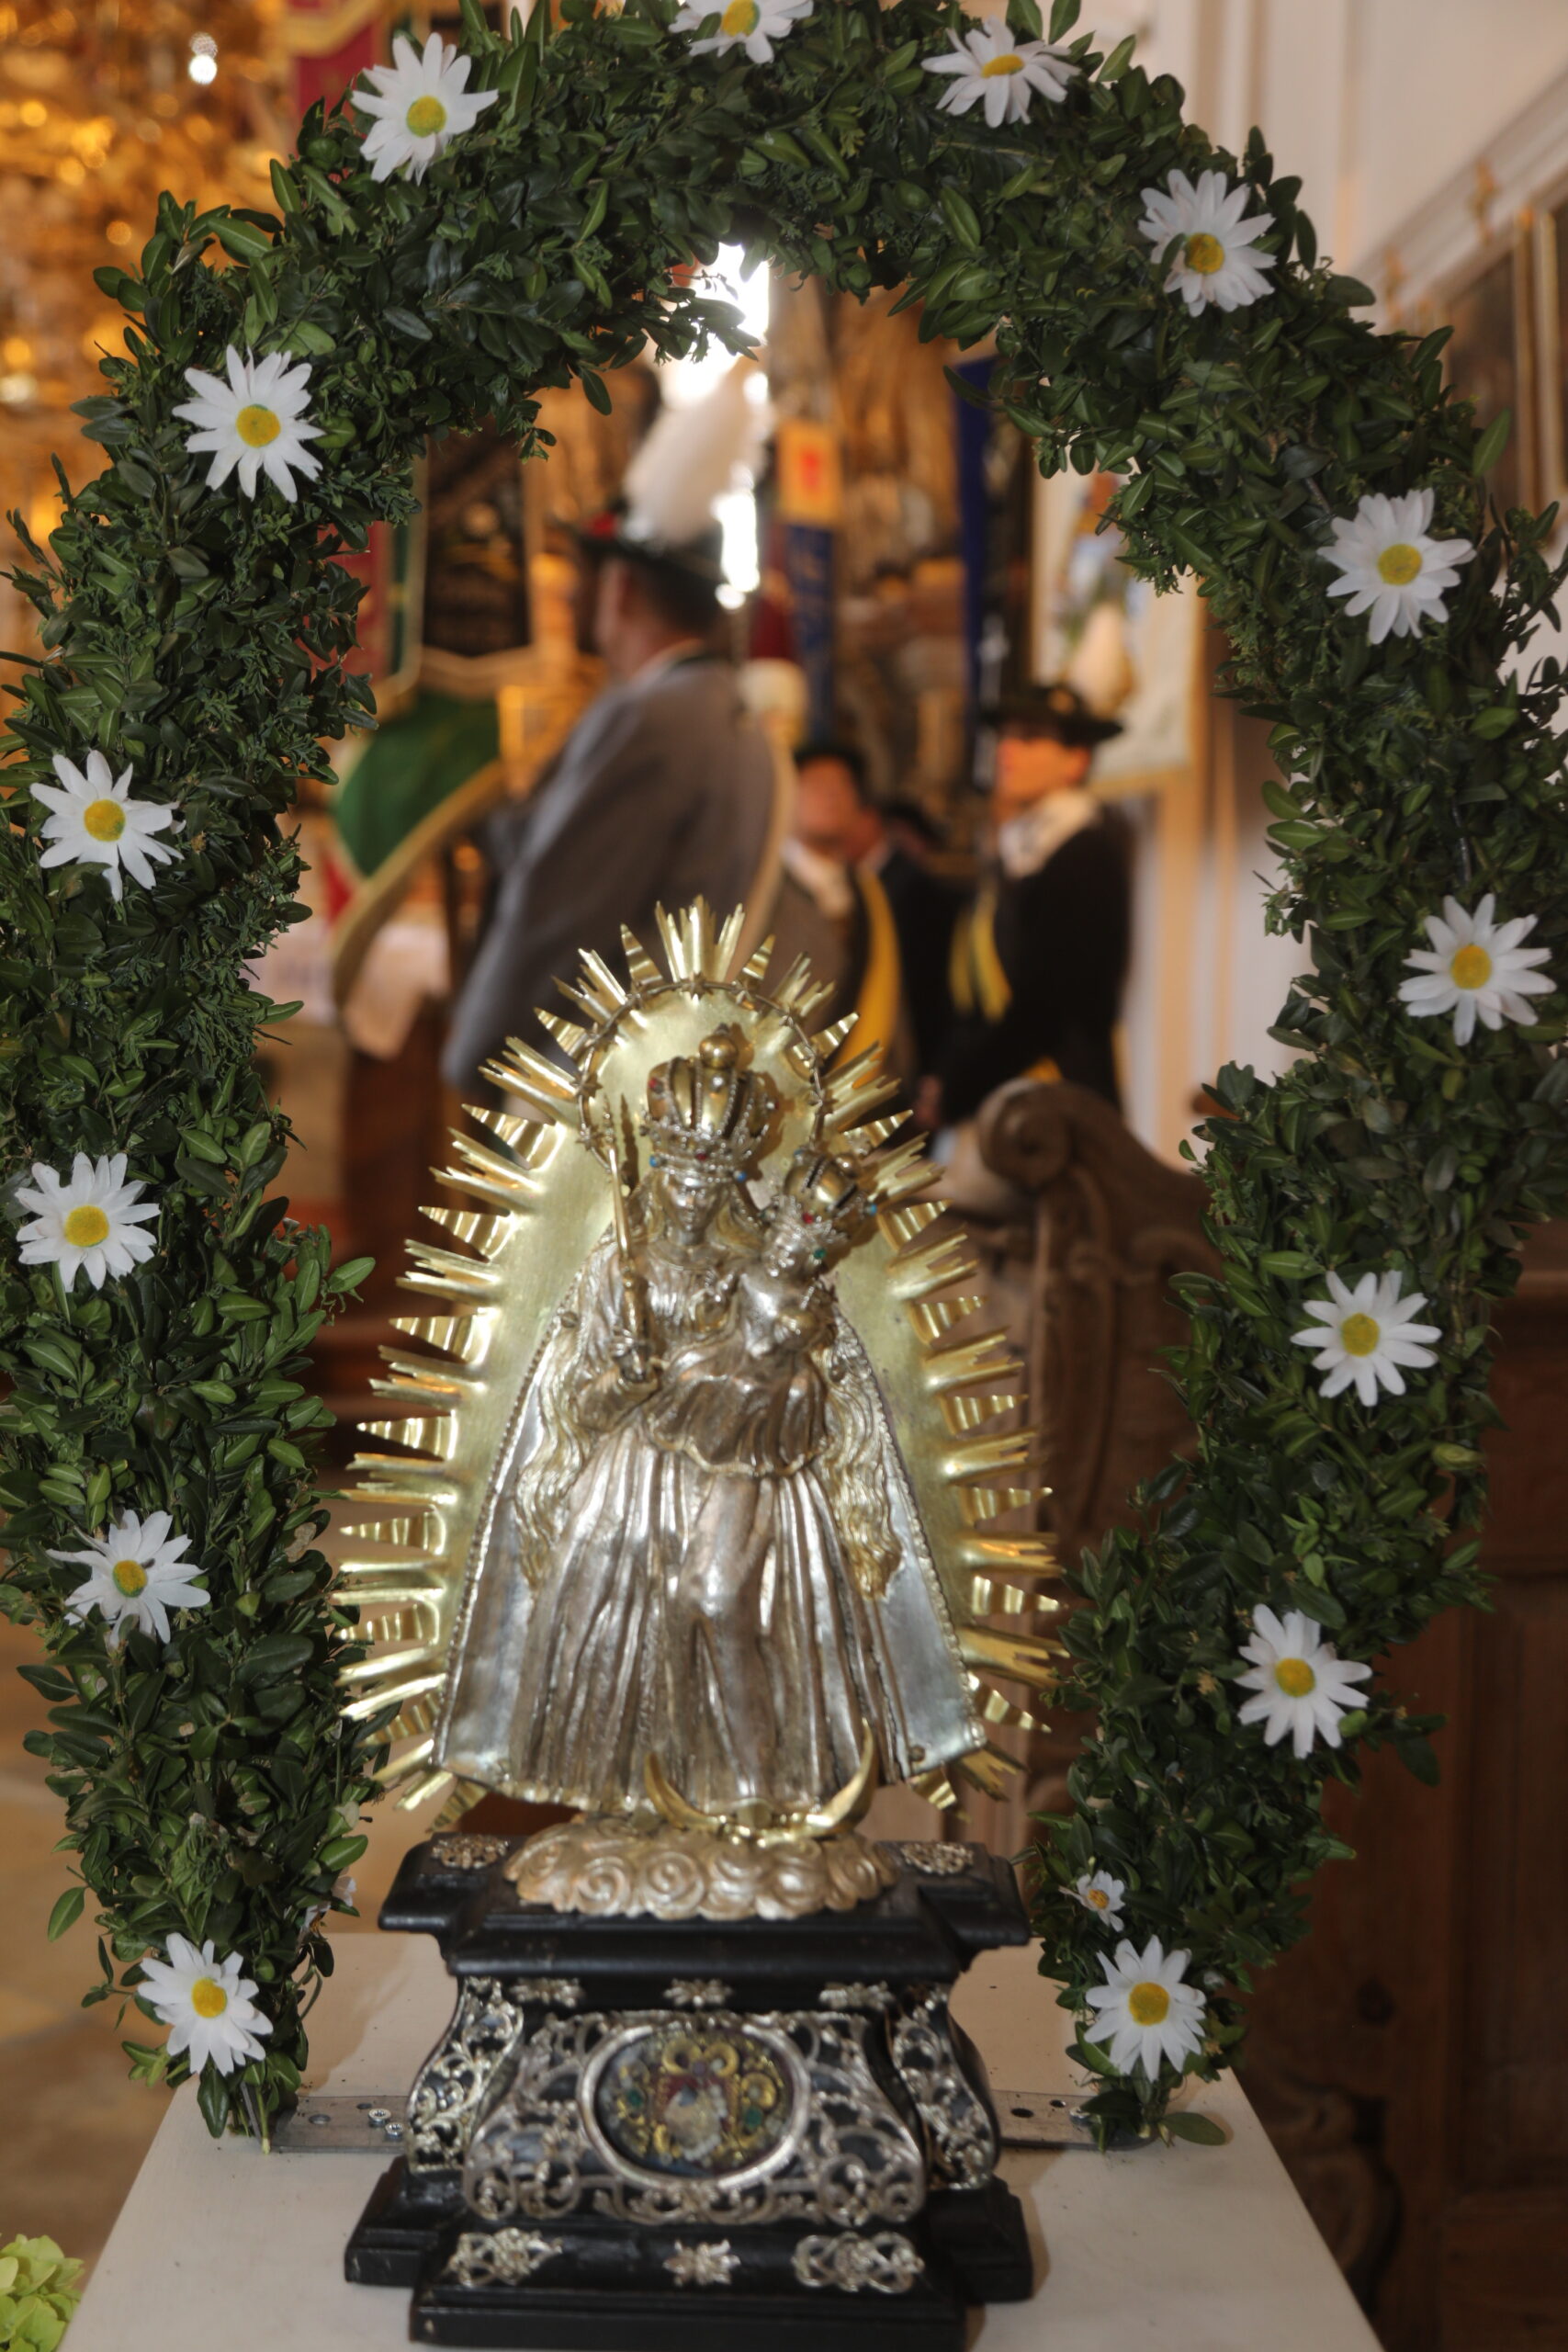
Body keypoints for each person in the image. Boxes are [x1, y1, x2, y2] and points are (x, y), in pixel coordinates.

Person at [441, 453, 778, 1096]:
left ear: (618, 588)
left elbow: (558, 910)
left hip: (604, 1084)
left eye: (579, 575)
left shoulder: (648, 718)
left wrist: (474, 1055)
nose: (572, 593)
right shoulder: (725, 710)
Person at [934, 681, 1131, 1125]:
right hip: (1015, 1092)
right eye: (1005, 736)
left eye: (1029, 738)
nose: (1006, 750)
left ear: (1076, 760)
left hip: (1061, 1099)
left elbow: (1048, 1007)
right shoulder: (1026, 848)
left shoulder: (1083, 853)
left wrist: (956, 1090)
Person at [773, 739, 955, 1080]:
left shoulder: (870, 892)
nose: (832, 796)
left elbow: (891, 999)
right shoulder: (765, 890)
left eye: (843, 785)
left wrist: (904, 1079)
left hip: (865, 1088)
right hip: (782, 1086)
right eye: (816, 785)